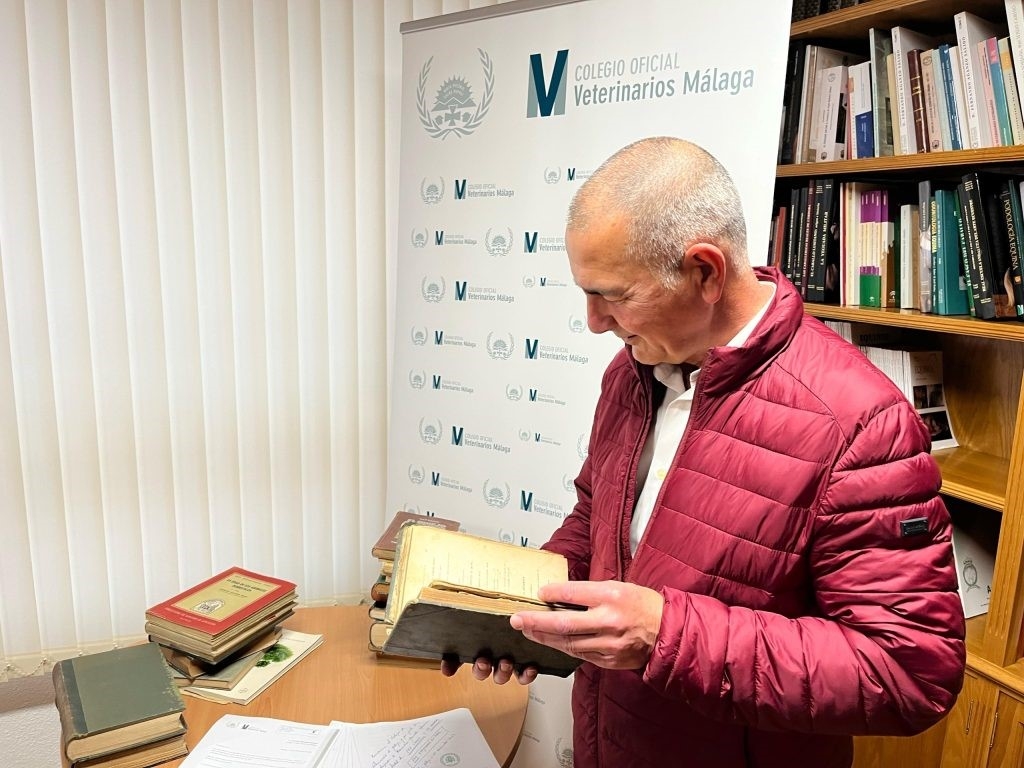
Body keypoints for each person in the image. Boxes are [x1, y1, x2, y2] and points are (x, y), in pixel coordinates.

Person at [442, 136, 966, 768]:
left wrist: (666, 634)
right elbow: (595, 516)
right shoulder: (632, 371)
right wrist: (522, 610)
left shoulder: (859, 423)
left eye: (613, 293)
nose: (594, 321)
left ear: (706, 272)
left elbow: (911, 672)